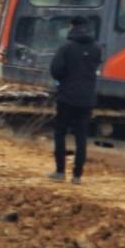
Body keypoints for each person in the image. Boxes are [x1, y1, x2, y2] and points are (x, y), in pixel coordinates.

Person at [49, 16, 103, 181]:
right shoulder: (96, 48)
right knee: (81, 137)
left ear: (72, 26)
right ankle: (77, 176)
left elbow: (56, 70)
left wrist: (64, 80)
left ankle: (59, 172)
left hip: (67, 97)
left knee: (60, 133)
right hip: (86, 99)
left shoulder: (66, 47)